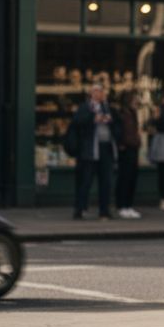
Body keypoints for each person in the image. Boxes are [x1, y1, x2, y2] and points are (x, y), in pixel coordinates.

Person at [71, 82, 120, 222]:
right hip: (90, 149)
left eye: (101, 91)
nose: (99, 94)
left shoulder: (108, 107)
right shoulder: (85, 107)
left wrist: (110, 120)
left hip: (106, 148)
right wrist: (93, 119)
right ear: (91, 94)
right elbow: (77, 122)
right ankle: (80, 209)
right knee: (85, 181)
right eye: (96, 91)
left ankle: (104, 211)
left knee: (106, 181)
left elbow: (117, 125)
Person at [115, 91, 142, 219]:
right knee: (125, 178)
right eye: (134, 100)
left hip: (133, 147)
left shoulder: (132, 114)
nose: (137, 102)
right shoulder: (122, 114)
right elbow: (119, 131)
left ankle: (128, 205)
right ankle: (122, 205)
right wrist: (121, 144)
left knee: (132, 178)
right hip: (126, 149)